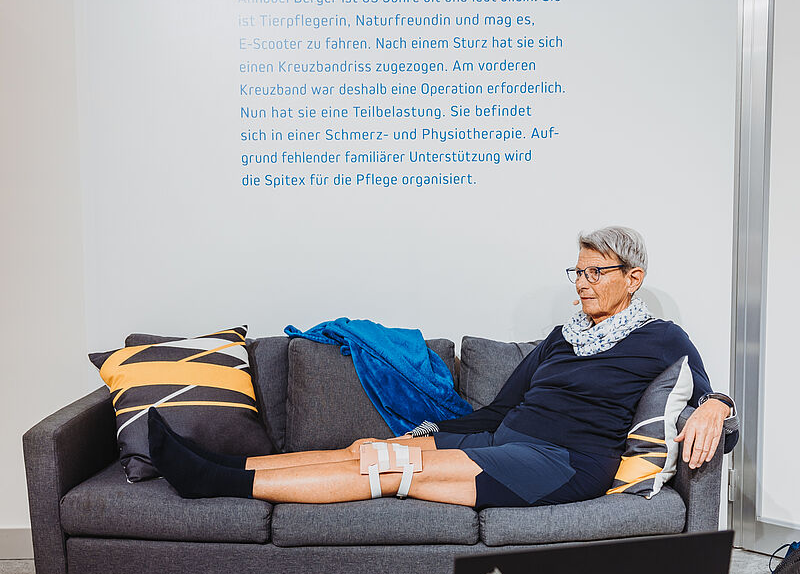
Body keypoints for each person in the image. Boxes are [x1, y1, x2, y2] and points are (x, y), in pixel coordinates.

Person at [148, 226, 738, 509]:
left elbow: (704, 395)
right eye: (577, 272)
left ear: (633, 279)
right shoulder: (562, 338)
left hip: (563, 463)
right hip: (507, 442)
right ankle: (223, 464)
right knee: (368, 449)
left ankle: (214, 482)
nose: (582, 283)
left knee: (386, 469)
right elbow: (500, 411)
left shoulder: (661, 339)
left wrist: (717, 405)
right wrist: (430, 432)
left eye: (596, 273)